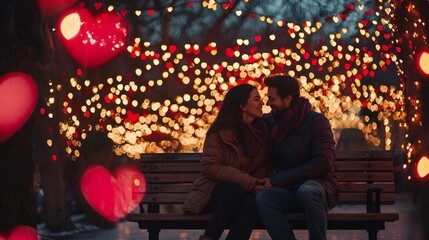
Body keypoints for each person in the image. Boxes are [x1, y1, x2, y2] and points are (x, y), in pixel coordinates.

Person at [255, 74, 340, 240]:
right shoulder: (270, 123)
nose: (267, 103)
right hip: (288, 190)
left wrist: (277, 180)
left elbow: (323, 162)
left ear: (287, 99)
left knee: (307, 191)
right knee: (264, 198)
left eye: (272, 99)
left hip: (319, 186)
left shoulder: (316, 122)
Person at [183, 84, 271, 240]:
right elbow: (210, 167)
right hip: (214, 193)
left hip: (246, 194)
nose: (262, 103)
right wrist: (248, 181)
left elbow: (261, 167)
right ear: (243, 106)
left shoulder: (262, 132)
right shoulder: (220, 130)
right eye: (256, 99)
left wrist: (257, 185)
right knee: (234, 190)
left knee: (250, 203)